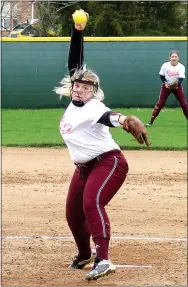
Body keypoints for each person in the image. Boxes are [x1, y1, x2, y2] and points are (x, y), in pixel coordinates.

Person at [54, 10, 149, 281]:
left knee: (91, 201)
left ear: (94, 92)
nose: (80, 89)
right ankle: (85, 254)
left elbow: (110, 117)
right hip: (83, 168)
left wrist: (127, 119)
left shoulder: (94, 106)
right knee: (73, 215)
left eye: (86, 87)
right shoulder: (73, 102)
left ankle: (104, 259)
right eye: (77, 85)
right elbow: (75, 61)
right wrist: (78, 31)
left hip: (109, 162)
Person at [145, 51, 188, 127]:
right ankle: (150, 122)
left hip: (177, 87)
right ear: (170, 58)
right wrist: (165, 82)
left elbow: (181, 79)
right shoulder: (165, 65)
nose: (174, 58)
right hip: (166, 86)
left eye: (175, 57)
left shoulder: (181, 67)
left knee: (184, 105)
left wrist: (176, 85)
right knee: (160, 104)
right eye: (172, 56)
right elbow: (161, 75)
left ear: (178, 58)